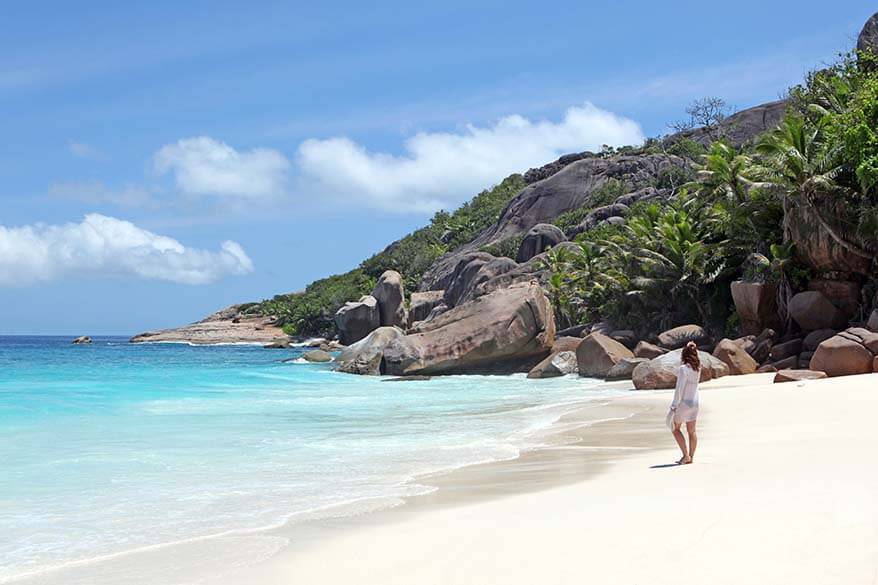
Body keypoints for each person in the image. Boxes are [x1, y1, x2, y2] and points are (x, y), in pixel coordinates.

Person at [669, 341, 700, 464]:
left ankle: (685, 455)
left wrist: (674, 406)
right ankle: (691, 457)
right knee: (692, 431)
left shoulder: (683, 369)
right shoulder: (698, 368)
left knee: (675, 429)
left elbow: (679, 389)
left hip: (684, 403)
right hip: (695, 402)